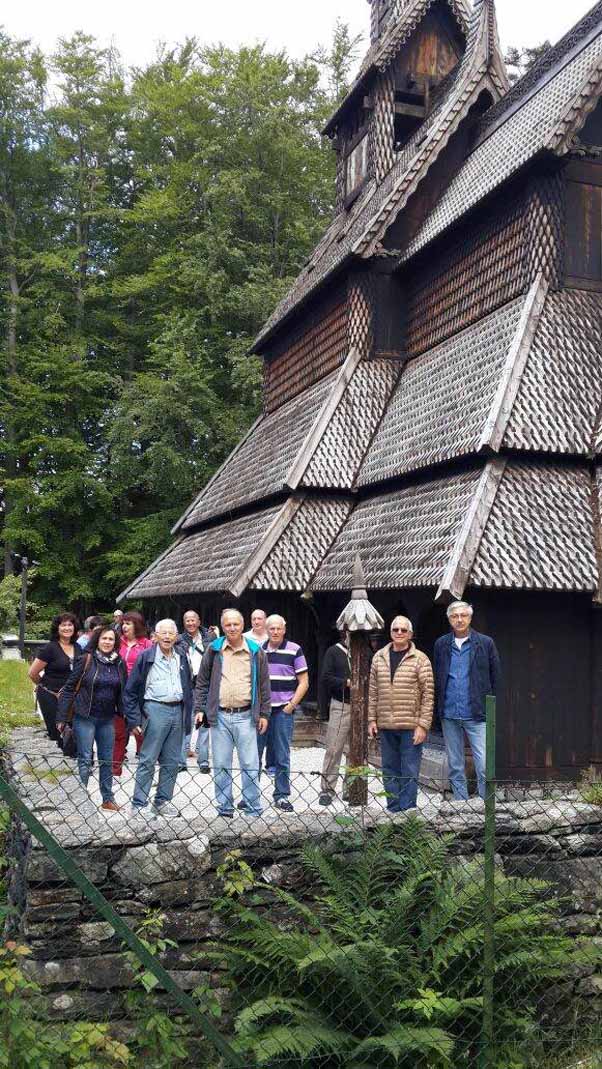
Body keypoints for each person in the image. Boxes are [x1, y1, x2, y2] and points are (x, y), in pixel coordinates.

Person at [194, 609, 270, 819]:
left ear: (242, 625)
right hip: (220, 717)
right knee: (221, 764)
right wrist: (200, 709)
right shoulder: (214, 649)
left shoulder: (256, 651)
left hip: (246, 715)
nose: (232, 628)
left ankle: (252, 807)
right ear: (223, 626)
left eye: (236, 624)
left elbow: (264, 685)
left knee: (250, 763)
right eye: (228, 625)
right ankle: (224, 808)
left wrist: (264, 713)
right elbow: (202, 682)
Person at [124, 619, 193, 818]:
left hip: (177, 710)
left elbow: (188, 686)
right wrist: (134, 719)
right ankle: (138, 804)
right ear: (155, 635)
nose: (167, 637)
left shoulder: (181, 656)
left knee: (172, 761)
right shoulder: (145, 657)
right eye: (163, 633)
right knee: (148, 758)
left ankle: (162, 801)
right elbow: (130, 691)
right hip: (154, 709)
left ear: (176, 636)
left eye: (171, 633)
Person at [434, 601, 501, 801]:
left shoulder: (485, 643)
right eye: (455, 616)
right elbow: (438, 676)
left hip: (477, 712)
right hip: (449, 711)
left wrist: (489, 706)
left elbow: (496, 677)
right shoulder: (441, 644)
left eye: (463, 615)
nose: (459, 619)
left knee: (483, 764)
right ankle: (461, 805)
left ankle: (486, 804)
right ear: (449, 619)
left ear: (470, 618)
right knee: (455, 764)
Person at [57, 625, 127, 812]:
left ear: (115, 642)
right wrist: (61, 717)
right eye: (104, 638)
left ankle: (107, 798)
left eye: (111, 639)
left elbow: (123, 692)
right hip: (85, 716)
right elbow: (69, 688)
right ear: (97, 640)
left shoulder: (118, 663)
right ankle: (81, 799)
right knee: (85, 758)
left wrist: (125, 714)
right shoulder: (86, 659)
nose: (107, 642)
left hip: (107, 718)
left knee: (107, 759)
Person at [368, 616, 434, 812]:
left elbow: (428, 694)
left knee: (410, 770)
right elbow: (373, 691)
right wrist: (371, 719)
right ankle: (393, 809)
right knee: (388, 769)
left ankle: (408, 812)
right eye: (395, 629)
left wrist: (423, 725)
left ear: (410, 634)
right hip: (386, 725)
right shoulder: (379, 657)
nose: (399, 633)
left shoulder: (420, 659)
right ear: (390, 632)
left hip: (410, 726)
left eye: (403, 630)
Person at [258, 614, 308, 813]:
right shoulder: (259, 650)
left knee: (282, 754)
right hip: (262, 711)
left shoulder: (294, 649)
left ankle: (281, 795)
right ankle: (251, 795)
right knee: (254, 754)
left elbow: (304, 681)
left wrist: (292, 705)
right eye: (272, 628)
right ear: (266, 630)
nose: (275, 632)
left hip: (282, 710)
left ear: (284, 629)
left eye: (279, 628)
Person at [29, 613, 83, 747]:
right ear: (57, 628)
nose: (67, 628)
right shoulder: (50, 648)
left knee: (74, 733)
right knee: (57, 734)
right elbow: (32, 673)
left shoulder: (78, 647)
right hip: (51, 696)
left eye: (70, 625)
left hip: (72, 697)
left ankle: (72, 760)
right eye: (63, 625)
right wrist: (45, 688)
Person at [112, 611, 153, 775]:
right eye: (123, 623)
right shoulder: (117, 642)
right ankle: (115, 768)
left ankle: (145, 766)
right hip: (118, 690)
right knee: (119, 731)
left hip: (138, 691)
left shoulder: (147, 644)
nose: (124, 626)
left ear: (137, 625)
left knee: (140, 728)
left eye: (128, 623)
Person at [176, 610, 213, 773]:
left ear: (199, 621)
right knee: (186, 721)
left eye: (193, 620)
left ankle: (203, 760)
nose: (190, 623)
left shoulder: (210, 638)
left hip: (204, 683)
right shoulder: (179, 640)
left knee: (204, 721)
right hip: (187, 683)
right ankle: (181, 760)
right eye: (187, 621)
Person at [318, 630, 351, 806]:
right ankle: (327, 789)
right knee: (334, 747)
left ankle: (352, 788)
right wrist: (345, 683)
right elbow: (326, 678)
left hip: (362, 707)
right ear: (345, 632)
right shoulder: (333, 651)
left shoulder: (366, 651)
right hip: (341, 704)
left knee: (357, 751)